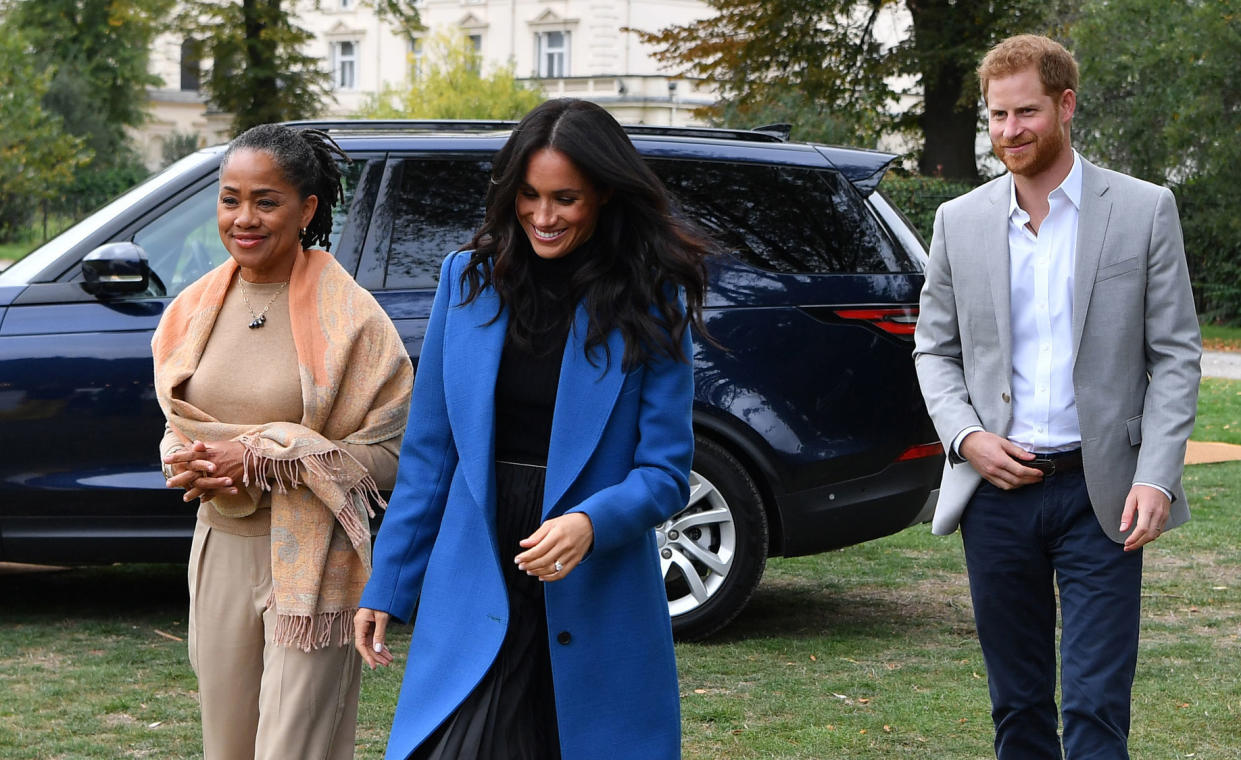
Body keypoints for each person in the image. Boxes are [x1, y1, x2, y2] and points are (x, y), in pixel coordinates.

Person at [353, 98, 710, 760]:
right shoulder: (466, 280)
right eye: (529, 195)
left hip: (589, 581)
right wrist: (389, 583)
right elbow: (430, 455)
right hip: (477, 565)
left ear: (603, 194)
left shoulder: (650, 298)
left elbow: (663, 473)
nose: (543, 217)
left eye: (565, 199)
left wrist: (590, 524)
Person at [914, 34, 1201, 759]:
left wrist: (1154, 477)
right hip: (995, 494)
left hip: (1101, 496)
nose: (1009, 132)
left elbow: (1173, 355)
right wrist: (965, 437)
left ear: (1065, 105)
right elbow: (934, 350)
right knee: (1016, 710)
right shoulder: (959, 221)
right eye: (997, 116)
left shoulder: (1142, 210)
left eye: (1026, 113)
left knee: (1096, 709)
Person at [152, 123, 414, 760]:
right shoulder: (192, 308)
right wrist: (186, 462)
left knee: (294, 750)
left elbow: (394, 455)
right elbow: (180, 423)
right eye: (230, 198)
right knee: (227, 747)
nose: (244, 218)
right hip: (219, 546)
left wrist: (270, 457)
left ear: (307, 210)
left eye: (266, 201)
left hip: (312, 560)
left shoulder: (354, 320)